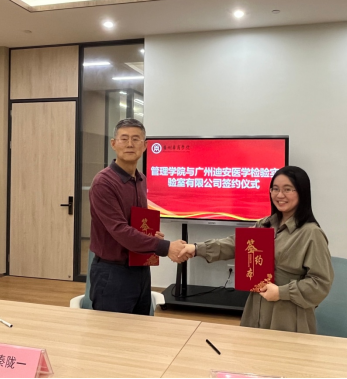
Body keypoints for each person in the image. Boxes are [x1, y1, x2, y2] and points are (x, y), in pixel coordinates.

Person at [178, 166, 334, 334]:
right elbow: (236, 245)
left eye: (287, 189)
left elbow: (320, 283)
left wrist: (281, 292)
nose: (280, 195)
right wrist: (196, 248)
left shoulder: (311, 233)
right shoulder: (265, 224)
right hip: (256, 309)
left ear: (302, 192)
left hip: (289, 316)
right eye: (275, 189)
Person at [89, 119, 187, 315]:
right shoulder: (104, 183)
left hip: (141, 268)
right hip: (113, 273)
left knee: (140, 329)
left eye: (136, 139)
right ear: (113, 144)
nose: (130, 144)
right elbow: (120, 230)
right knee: (112, 331)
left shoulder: (141, 180)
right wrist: (166, 247)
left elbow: (135, 224)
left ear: (145, 145)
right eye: (124, 138)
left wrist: (151, 236)